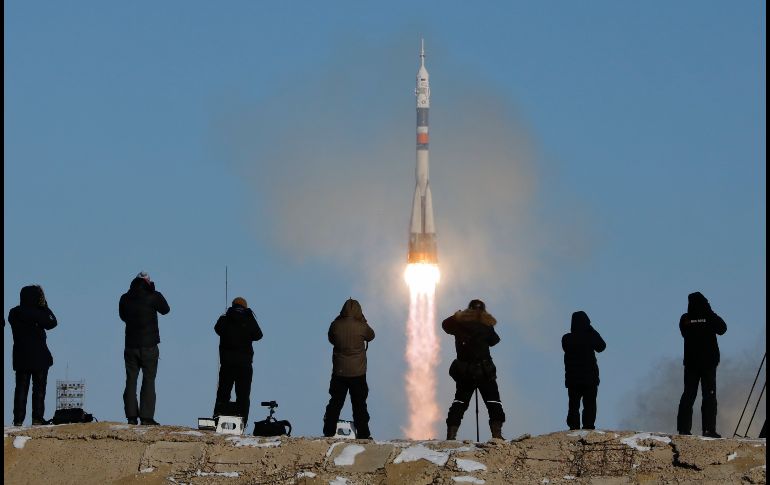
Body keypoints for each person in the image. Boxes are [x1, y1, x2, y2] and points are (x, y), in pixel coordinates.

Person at [443, 299, 506, 440]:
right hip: (484, 371)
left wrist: (456, 316)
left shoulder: (459, 324)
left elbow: (445, 325)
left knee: (459, 402)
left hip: (465, 372)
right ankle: (497, 434)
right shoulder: (486, 325)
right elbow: (494, 341)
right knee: (493, 401)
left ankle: (451, 435)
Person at [119, 272, 170, 425]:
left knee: (131, 380)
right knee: (148, 380)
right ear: (147, 282)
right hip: (149, 346)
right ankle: (147, 417)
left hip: (130, 345)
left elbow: (123, 316)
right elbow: (166, 309)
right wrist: (153, 290)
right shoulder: (153, 296)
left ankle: (131, 416)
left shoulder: (125, 298)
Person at [676, 291, 727, 438]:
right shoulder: (709, 316)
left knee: (688, 395)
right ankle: (709, 429)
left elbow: (684, 332)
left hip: (691, 364)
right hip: (708, 364)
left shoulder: (685, 319)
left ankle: (684, 429)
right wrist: (709, 312)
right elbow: (723, 328)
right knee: (709, 396)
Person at [323, 298, 375, 439]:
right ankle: (363, 433)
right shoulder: (362, 326)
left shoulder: (335, 325)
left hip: (339, 372)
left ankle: (328, 431)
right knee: (359, 405)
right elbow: (371, 336)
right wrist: (363, 321)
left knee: (335, 403)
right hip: (358, 373)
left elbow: (331, 338)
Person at [8, 285, 58, 426]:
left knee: (21, 389)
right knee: (39, 390)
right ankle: (37, 418)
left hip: (21, 356)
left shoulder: (14, 313)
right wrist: (45, 306)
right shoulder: (39, 312)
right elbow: (52, 322)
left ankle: (18, 420)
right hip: (40, 357)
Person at [213, 296, 263, 423]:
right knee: (243, 395)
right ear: (245, 307)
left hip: (227, 363)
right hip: (244, 365)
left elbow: (217, 329)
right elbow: (258, 335)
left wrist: (227, 315)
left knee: (223, 392)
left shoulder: (225, 318)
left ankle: (217, 418)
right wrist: (249, 318)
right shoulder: (248, 319)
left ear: (233, 305)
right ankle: (242, 421)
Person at [561, 311, 606, 430]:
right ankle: (588, 427)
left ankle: (574, 427)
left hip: (573, 380)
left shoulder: (566, 339)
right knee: (590, 404)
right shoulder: (590, 336)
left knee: (573, 405)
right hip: (589, 379)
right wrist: (591, 329)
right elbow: (601, 346)